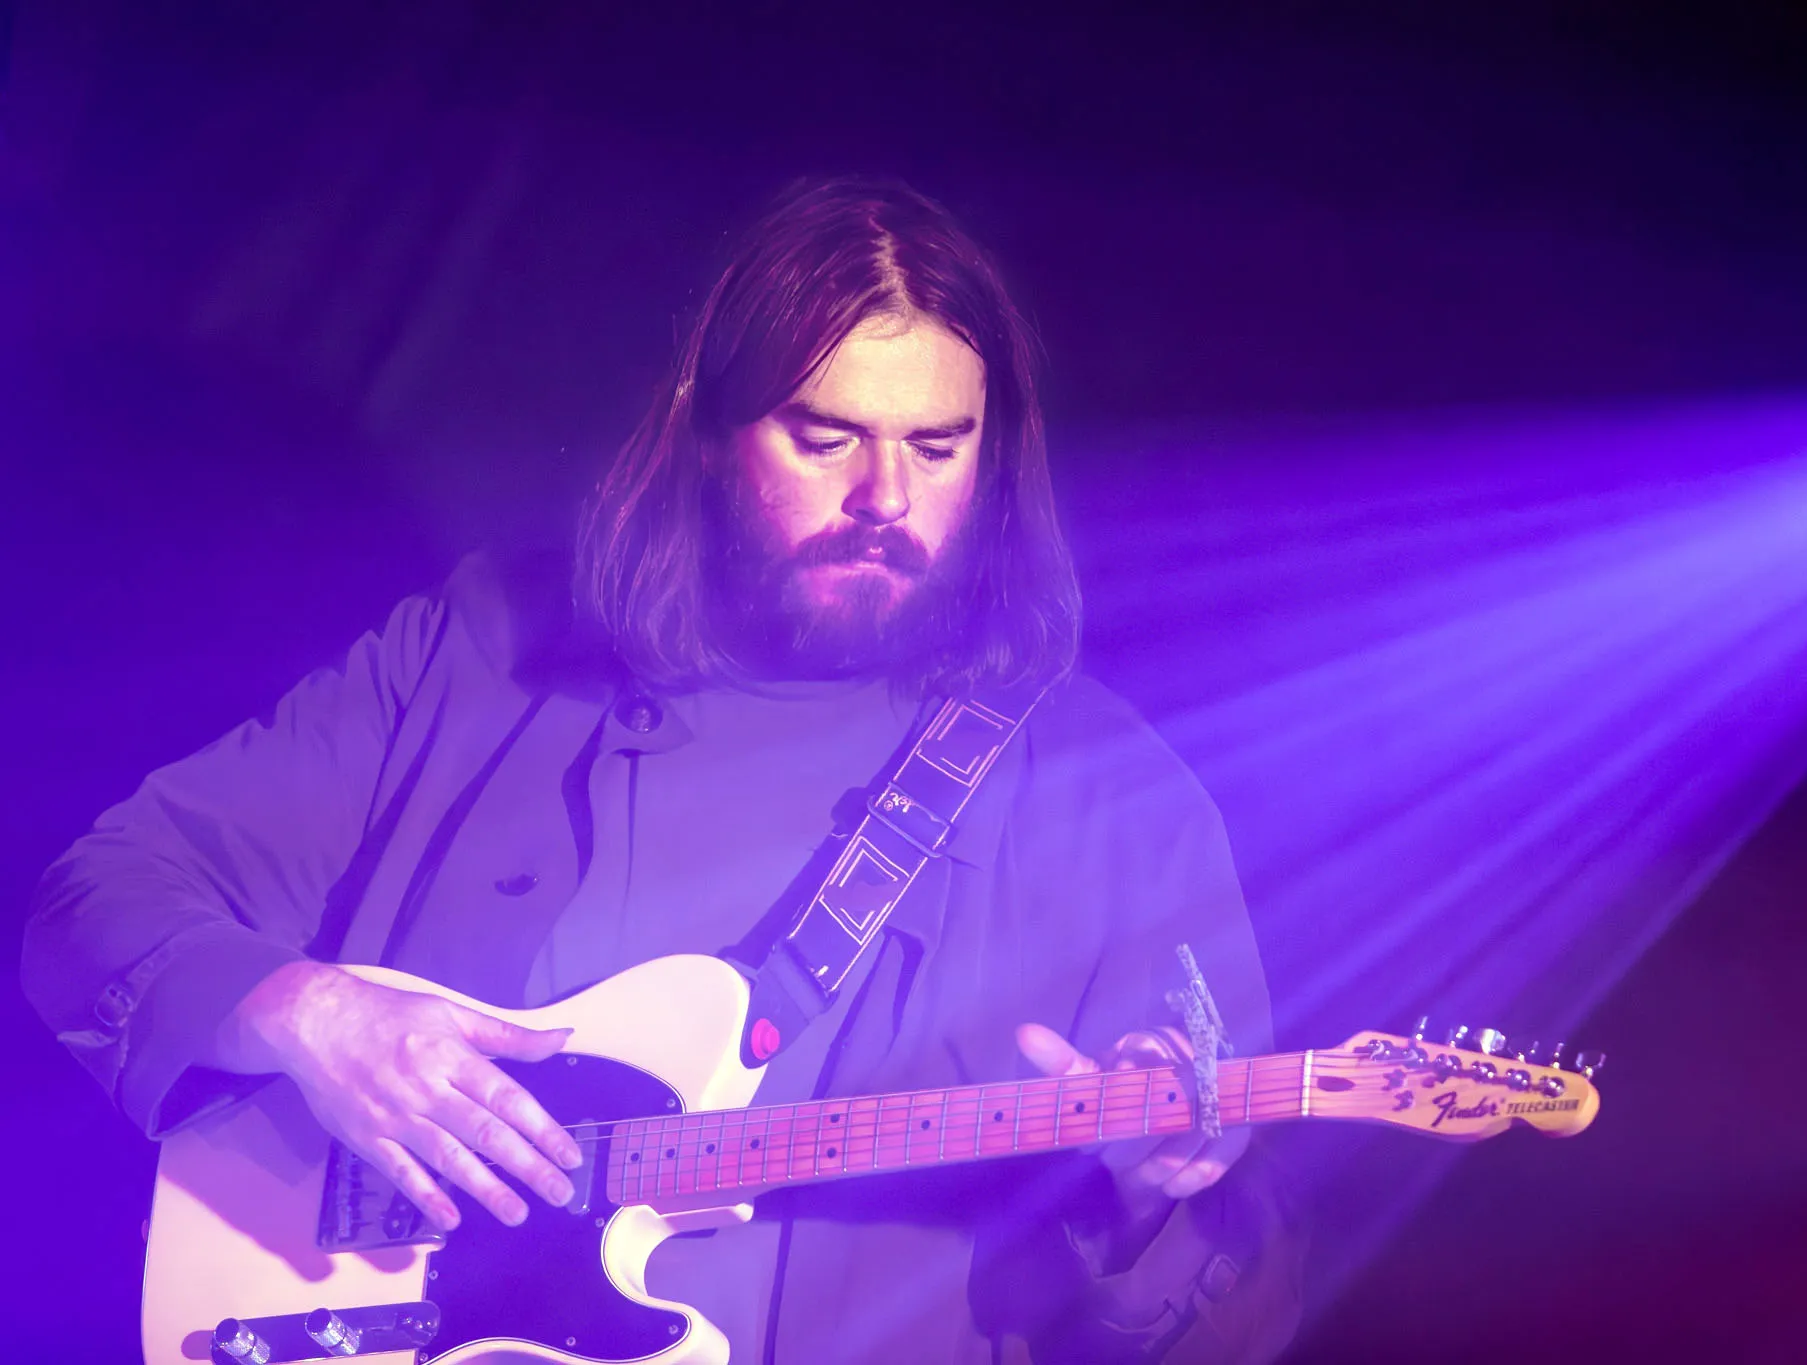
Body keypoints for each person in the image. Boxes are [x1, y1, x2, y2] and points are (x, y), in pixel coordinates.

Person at [22, 177, 1301, 1362]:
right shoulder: (485, 650)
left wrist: (1150, 1199)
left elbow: (1245, 1309)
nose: (884, 498)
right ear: (706, 432)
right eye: (825, 438)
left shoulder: (1113, 799)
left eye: (936, 446)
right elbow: (99, 896)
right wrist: (308, 1016)